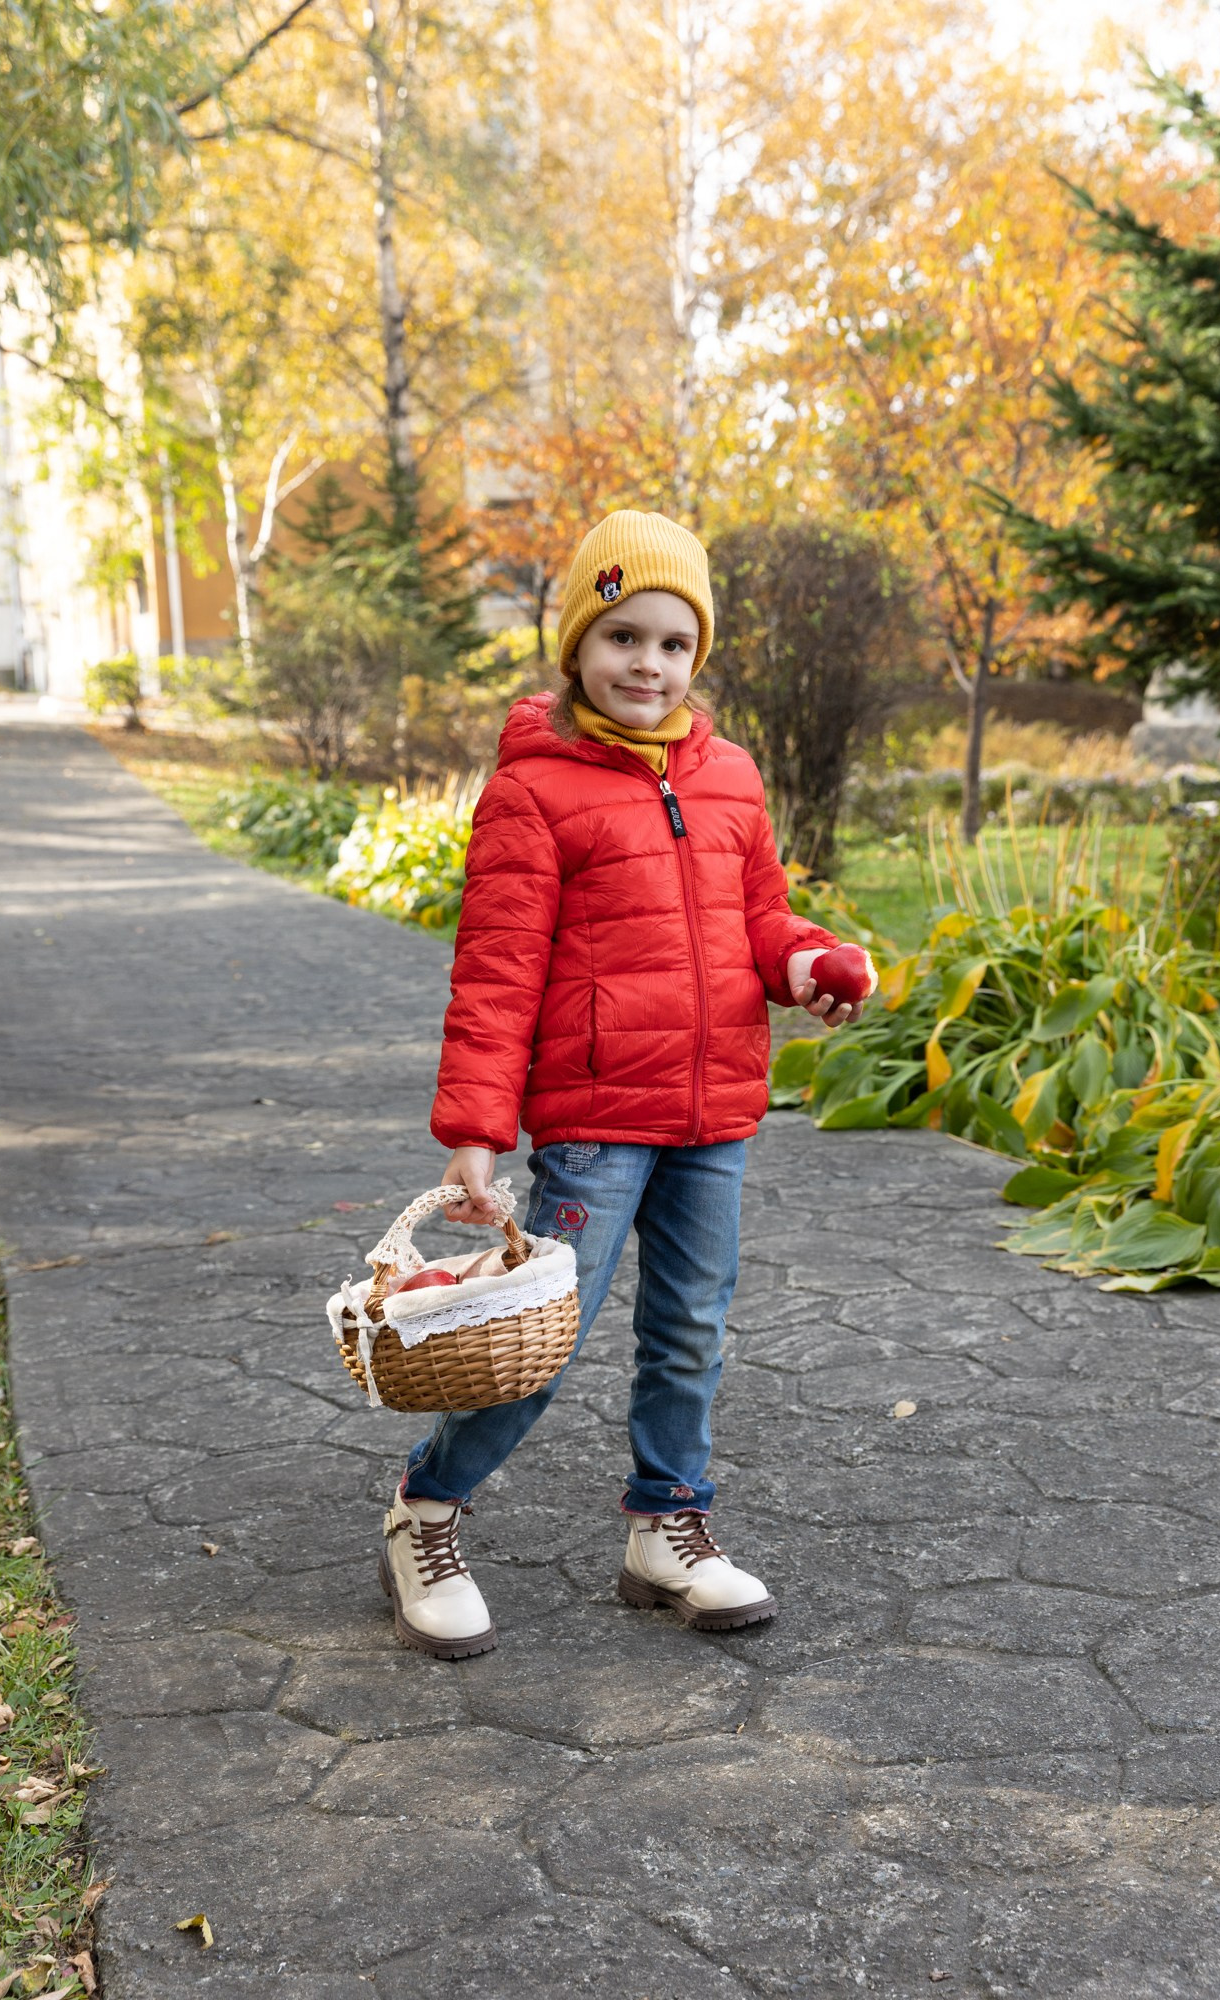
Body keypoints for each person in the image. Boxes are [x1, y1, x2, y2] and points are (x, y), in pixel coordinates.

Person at [379, 509, 872, 1658]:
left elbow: (755, 917)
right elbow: (498, 969)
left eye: (671, 643)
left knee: (690, 1328)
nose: (646, 664)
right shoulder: (534, 788)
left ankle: (667, 1525)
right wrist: (474, 1129)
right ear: (576, 646)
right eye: (621, 636)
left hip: (713, 1113)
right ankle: (424, 1509)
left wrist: (806, 962)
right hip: (597, 1122)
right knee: (538, 1334)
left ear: (696, 657)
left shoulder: (730, 775)